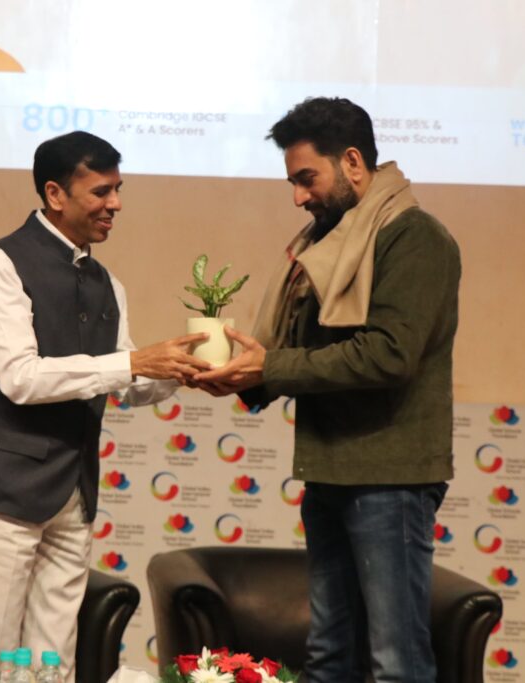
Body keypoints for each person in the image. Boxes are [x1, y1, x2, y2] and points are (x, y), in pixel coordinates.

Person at [195, 97, 461, 683]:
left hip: (390, 479)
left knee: (395, 662)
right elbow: (300, 352)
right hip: (331, 470)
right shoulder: (330, 244)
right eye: (292, 182)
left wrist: (269, 370)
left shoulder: (414, 238)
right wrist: (238, 376)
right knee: (328, 657)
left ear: (353, 163)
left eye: (306, 178)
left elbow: (388, 356)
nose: (298, 196)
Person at [0, 131, 210, 683]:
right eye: (101, 191)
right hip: (3, 489)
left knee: (52, 661)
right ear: (54, 193)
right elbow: (21, 379)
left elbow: (125, 382)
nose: (115, 204)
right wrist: (137, 363)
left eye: (118, 189)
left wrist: (187, 370)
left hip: (73, 491)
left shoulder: (106, 282)